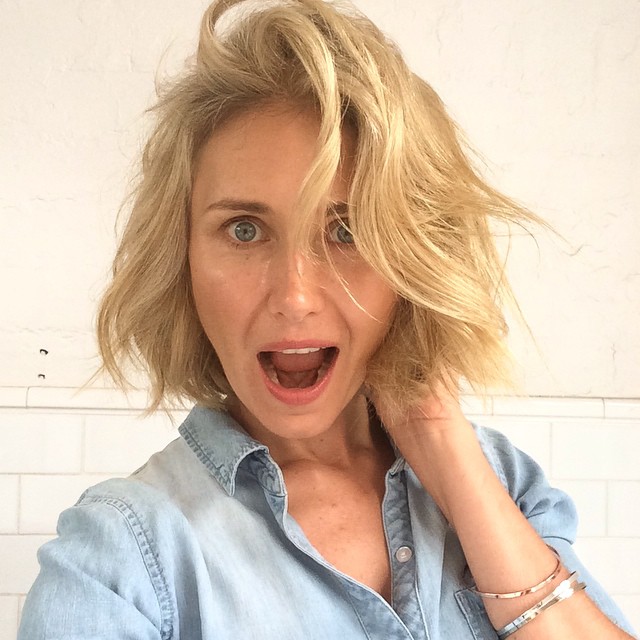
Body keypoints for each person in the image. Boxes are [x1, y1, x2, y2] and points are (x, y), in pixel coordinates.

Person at [18, 1, 636, 638]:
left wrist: (447, 451)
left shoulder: (503, 479)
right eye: (244, 229)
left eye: (347, 231)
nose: (295, 297)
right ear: (182, 258)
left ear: (414, 259)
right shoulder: (116, 564)